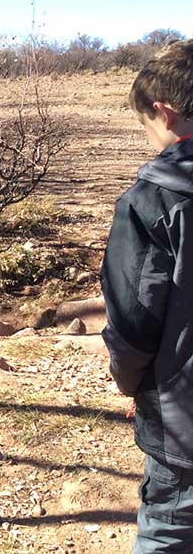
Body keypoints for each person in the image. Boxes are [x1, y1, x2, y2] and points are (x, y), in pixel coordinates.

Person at [101, 38, 193, 553]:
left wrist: (132, 385)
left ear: (165, 112)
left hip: (185, 430)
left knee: (169, 533)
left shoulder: (152, 202)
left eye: (146, 125)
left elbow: (134, 322)